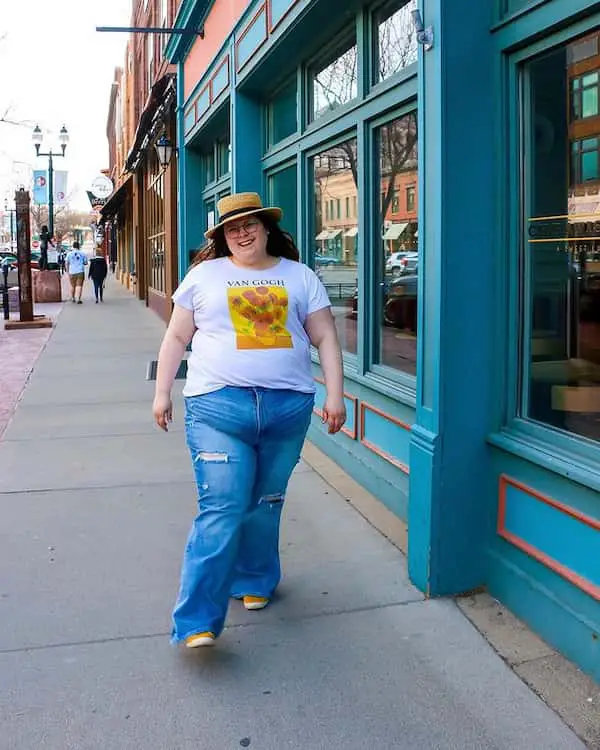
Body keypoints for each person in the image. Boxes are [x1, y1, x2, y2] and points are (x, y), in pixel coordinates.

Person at [152, 192, 346, 649]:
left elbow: (326, 338)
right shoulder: (204, 277)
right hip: (219, 407)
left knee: (267, 501)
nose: (242, 232)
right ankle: (197, 619)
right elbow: (177, 336)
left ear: (266, 228)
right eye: (232, 228)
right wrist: (162, 392)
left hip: (286, 409)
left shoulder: (300, 277)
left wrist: (335, 396)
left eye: (250, 224)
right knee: (222, 508)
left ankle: (255, 579)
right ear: (222, 237)